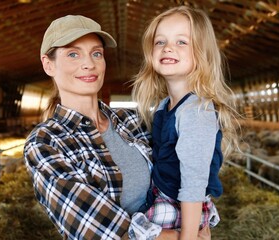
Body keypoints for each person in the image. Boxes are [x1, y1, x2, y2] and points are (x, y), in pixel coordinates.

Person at [24, 15, 177, 239]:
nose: (89, 64)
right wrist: (182, 236)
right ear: (48, 64)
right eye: (73, 54)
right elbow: (100, 229)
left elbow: (180, 164)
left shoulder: (133, 120)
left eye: (96, 53)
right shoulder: (46, 142)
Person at [132, 5, 240, 240]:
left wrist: (187, 237)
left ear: (202, 52)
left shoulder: (196, 110)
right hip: (164, 196)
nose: (168, 47)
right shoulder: (164, 106)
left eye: (182, 42)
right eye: (160, 42)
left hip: (179, 207)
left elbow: (193, 183)